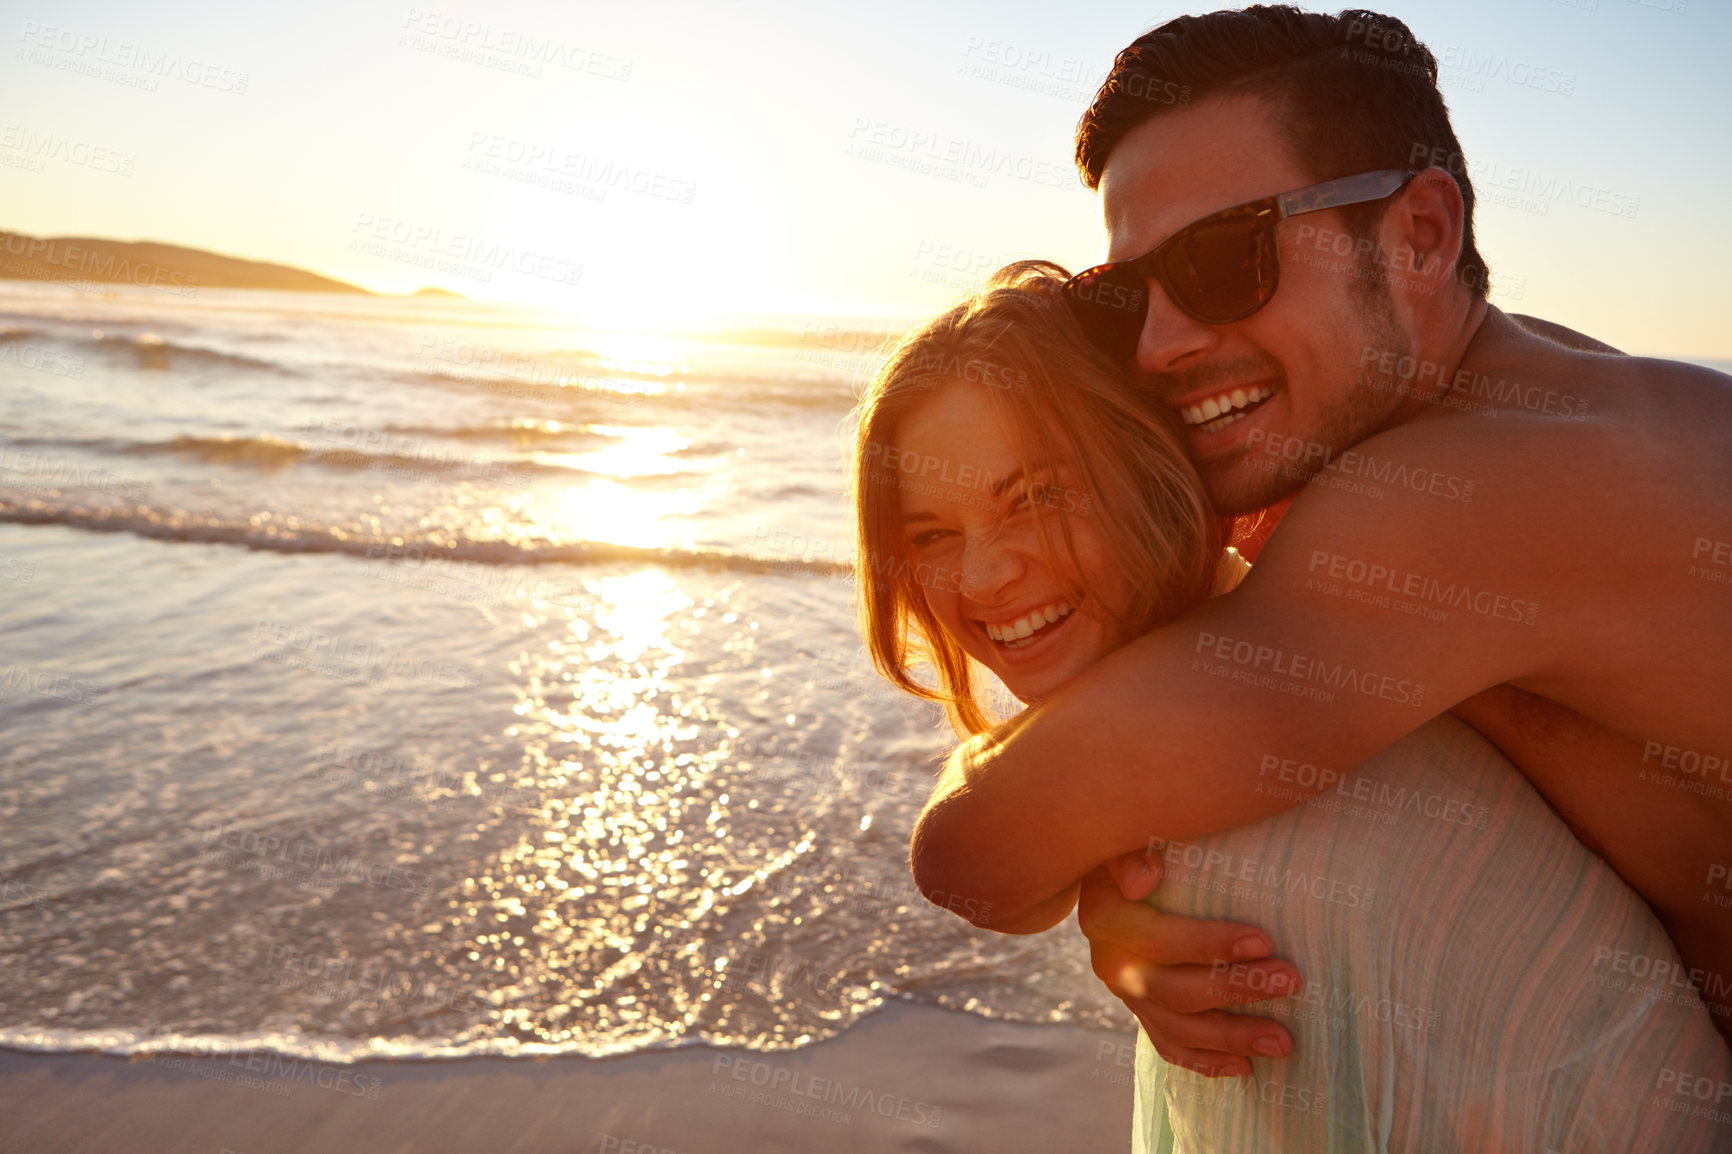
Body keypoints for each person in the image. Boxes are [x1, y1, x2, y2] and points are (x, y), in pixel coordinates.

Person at [904, 5, 1732, 1086]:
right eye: (1121, 299)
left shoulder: (1458, 499)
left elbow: (974, 854)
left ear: (1421, 235)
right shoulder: (1560, 402)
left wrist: (1113, 869)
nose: (1158, 344)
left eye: (1223, 259)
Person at [852, 261, 1732, 1151]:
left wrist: (1057, 826)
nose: (980, 576)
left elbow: (967, 858)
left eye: (1037, 497)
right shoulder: (1340, 656)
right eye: (930, 535)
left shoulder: (1251, 766)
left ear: (1147, 456)